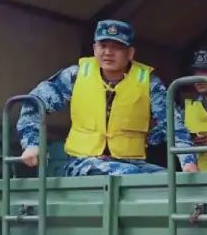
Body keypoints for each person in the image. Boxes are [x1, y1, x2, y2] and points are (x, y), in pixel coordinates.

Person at [17, 19, 193, 175]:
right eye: (103, 46)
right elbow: (33, 104)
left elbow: (173, 124)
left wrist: (188, 162)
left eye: (116, 47)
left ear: (130, 53)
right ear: (94, 49)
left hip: (131, 163)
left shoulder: (148, 82)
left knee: (169, 180)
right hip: (82, 163)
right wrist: (32, 144)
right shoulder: (75, 76)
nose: (108, 52)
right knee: (131, 177)